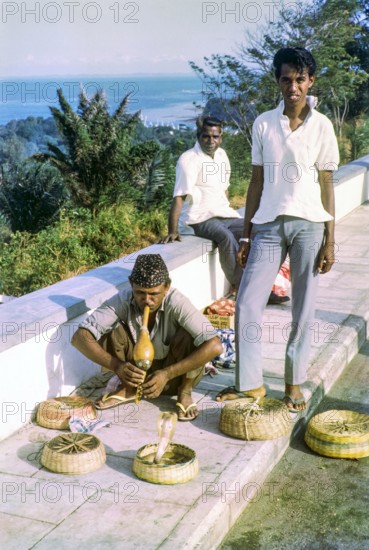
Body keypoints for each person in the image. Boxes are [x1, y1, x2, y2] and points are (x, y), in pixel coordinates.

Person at [216, 47, 339, 411]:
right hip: (267, 224)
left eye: (300, 79)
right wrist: (246, 233)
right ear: (278, 81)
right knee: (247, 303)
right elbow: (256, 182)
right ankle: (251, 384)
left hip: (309, 226)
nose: (293, 86)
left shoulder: (322, 125)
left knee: (303, 308)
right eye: (286, 79)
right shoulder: (264, 123)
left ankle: (293, 382)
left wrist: (331, 240)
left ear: (310, 81)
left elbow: (327, 183)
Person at [71, 254, 222, 421]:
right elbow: (80, 337)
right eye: (140, 293)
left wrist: (167, 373)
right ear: (131, 285)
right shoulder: (123, 299)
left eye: (154, 294)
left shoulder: (177, 302)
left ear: (167, 287)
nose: (147, 300)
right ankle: (128, 388)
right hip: (136, 375)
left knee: (190, 336)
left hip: (175, 377)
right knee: (112, 330)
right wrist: (117, 366)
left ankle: (184, 392)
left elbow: (215, 345)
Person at [160, 115, 289, 304]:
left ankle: (263, 284)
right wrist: (172, 231)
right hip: (199, 219)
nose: (211, 141)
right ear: (198, 136)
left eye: (215, 137)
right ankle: (246, 289)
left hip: (225, 214)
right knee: (226, 238)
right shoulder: (188, 160)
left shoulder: (222, 156)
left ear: (221, 137)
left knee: (258, 230)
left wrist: (226, 209)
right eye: (206, 136)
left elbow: (224, 190)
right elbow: (178, 196)